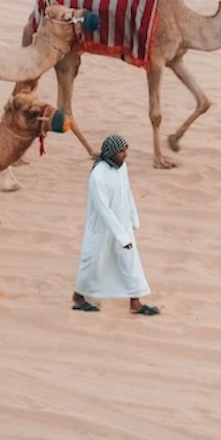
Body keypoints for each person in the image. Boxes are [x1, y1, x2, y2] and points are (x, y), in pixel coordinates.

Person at [71, 133, 159, 315]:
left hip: (123, 226)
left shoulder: (122, 168)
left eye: (125, 150)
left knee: (130, 262)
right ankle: (78, 297)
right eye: (121, 151)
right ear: (111, 153)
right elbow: (103, 209)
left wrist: (133, 219)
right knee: (92, 263)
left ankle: (135, 303)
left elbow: (127, 193)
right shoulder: (98, 176)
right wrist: (121, 236)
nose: (125, 155)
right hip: (102, 229)